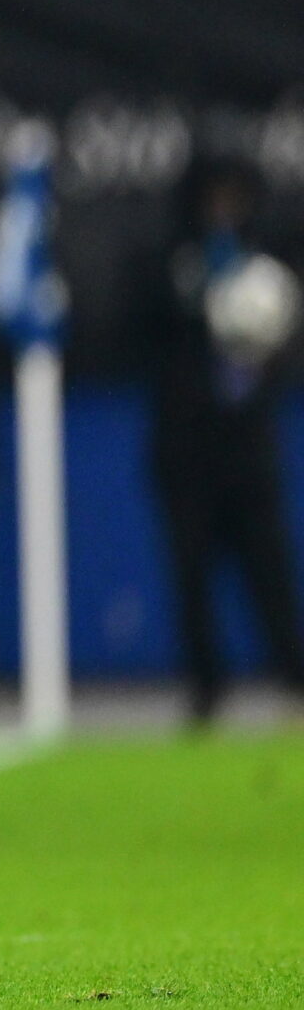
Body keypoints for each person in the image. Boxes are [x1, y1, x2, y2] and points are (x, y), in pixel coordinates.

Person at [147, 153, 304, 724]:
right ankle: (206, 688)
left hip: (249, 445)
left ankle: (293, 673)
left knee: (270, 566)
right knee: (190, 573)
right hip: (186, 447)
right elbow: (134, 331)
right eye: (214, 193)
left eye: (234, 193)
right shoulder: (171, 260)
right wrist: (197, 308)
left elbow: (283, 342)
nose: (224, 205)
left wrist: (262, 349)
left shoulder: (264, 261)